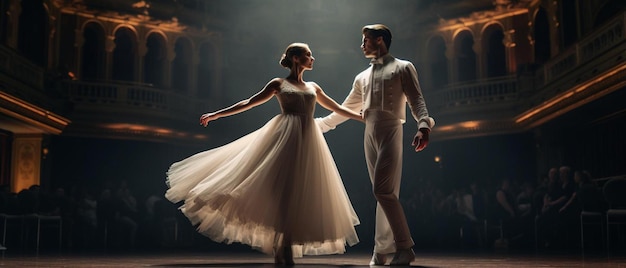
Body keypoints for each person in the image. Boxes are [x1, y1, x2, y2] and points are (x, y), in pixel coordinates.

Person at [165, 43, 362, 265]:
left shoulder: (313, 87)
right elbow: (249, 103)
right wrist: (217, 114)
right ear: (295, 59)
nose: (312, 58)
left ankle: (284, 242)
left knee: (300, 190)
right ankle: (283, 243)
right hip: (284, 137)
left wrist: (361, 117)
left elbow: (336, 107)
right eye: (308, 54)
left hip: (308, 140)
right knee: (282, 191)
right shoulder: (278, 83)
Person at [316, 24, 435, 266]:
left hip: (391, 128)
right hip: (369, 131)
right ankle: (381, 251)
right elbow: (346, 109)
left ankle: (405, 247)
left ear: (379, 40)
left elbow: (417, 100)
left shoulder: (403, 67)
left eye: (365, 40)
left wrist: (424, 125)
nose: (362, 45)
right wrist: (320, 125)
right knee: (384, 194)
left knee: (382, 191)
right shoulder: (361, 77)